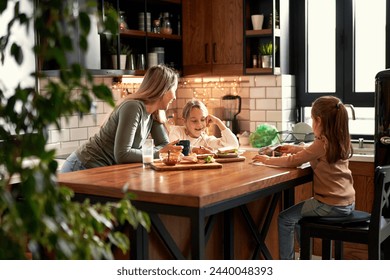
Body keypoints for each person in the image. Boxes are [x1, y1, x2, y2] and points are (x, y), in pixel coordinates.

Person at [252, 96, 355, 260]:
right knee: (300, 217)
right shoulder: (339, 139)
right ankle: (304, 257)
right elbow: (310, 151)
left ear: (319, 121)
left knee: (285, 218)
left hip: (329, 205)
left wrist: (267, 160)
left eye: (312, 120)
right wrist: (293, 147)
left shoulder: (321, 144)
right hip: (346, 203)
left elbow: (293, 161)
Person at [61, 65, 182, 173]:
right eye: (174, 90)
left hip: (101, 169)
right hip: (82, 166)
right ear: (162, 89)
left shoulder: (154, 113)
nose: (175, 97)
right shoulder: (133, 107)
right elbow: (122, 154)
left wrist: (161, 150)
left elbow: (164, 145)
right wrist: (159, 152)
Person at [168, 99, 239, 154]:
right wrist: (197, 150)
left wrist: (218, 122)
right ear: (184, 121)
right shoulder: (177, 131)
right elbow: (174, 148)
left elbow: (233, 145)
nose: (199, 125)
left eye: (202, 119)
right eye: (194, 121)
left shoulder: (206, 141)